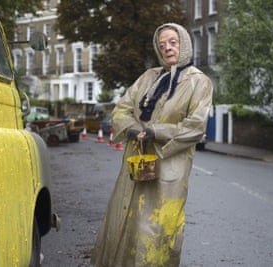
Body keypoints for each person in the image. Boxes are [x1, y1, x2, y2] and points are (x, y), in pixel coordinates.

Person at [91, 23, 213, 266]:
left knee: (157, 227)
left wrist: (155, 131)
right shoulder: (148, 77)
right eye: (161, 44)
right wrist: (135, 129)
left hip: (169, 165)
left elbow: (195, 126)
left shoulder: (199, 82)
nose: (167, 48)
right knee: (124, 218)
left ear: (184, 43)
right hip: (136, 161)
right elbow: (122, 109)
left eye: (173, 42)